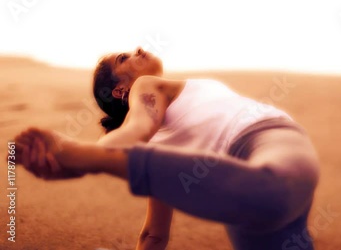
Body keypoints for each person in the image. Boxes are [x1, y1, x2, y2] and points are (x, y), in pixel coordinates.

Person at [12, 47, 320, 250]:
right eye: (124, 58)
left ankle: (81, 158)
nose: (138, 50)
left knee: (272, 194)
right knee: (270, 212)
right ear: (121, 90)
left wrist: (79, 160)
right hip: (238, 191)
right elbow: (154, 235)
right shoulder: (149, 96)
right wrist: (85, 159)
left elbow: (135, 134)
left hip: (266, 141)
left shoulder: (160, 148)